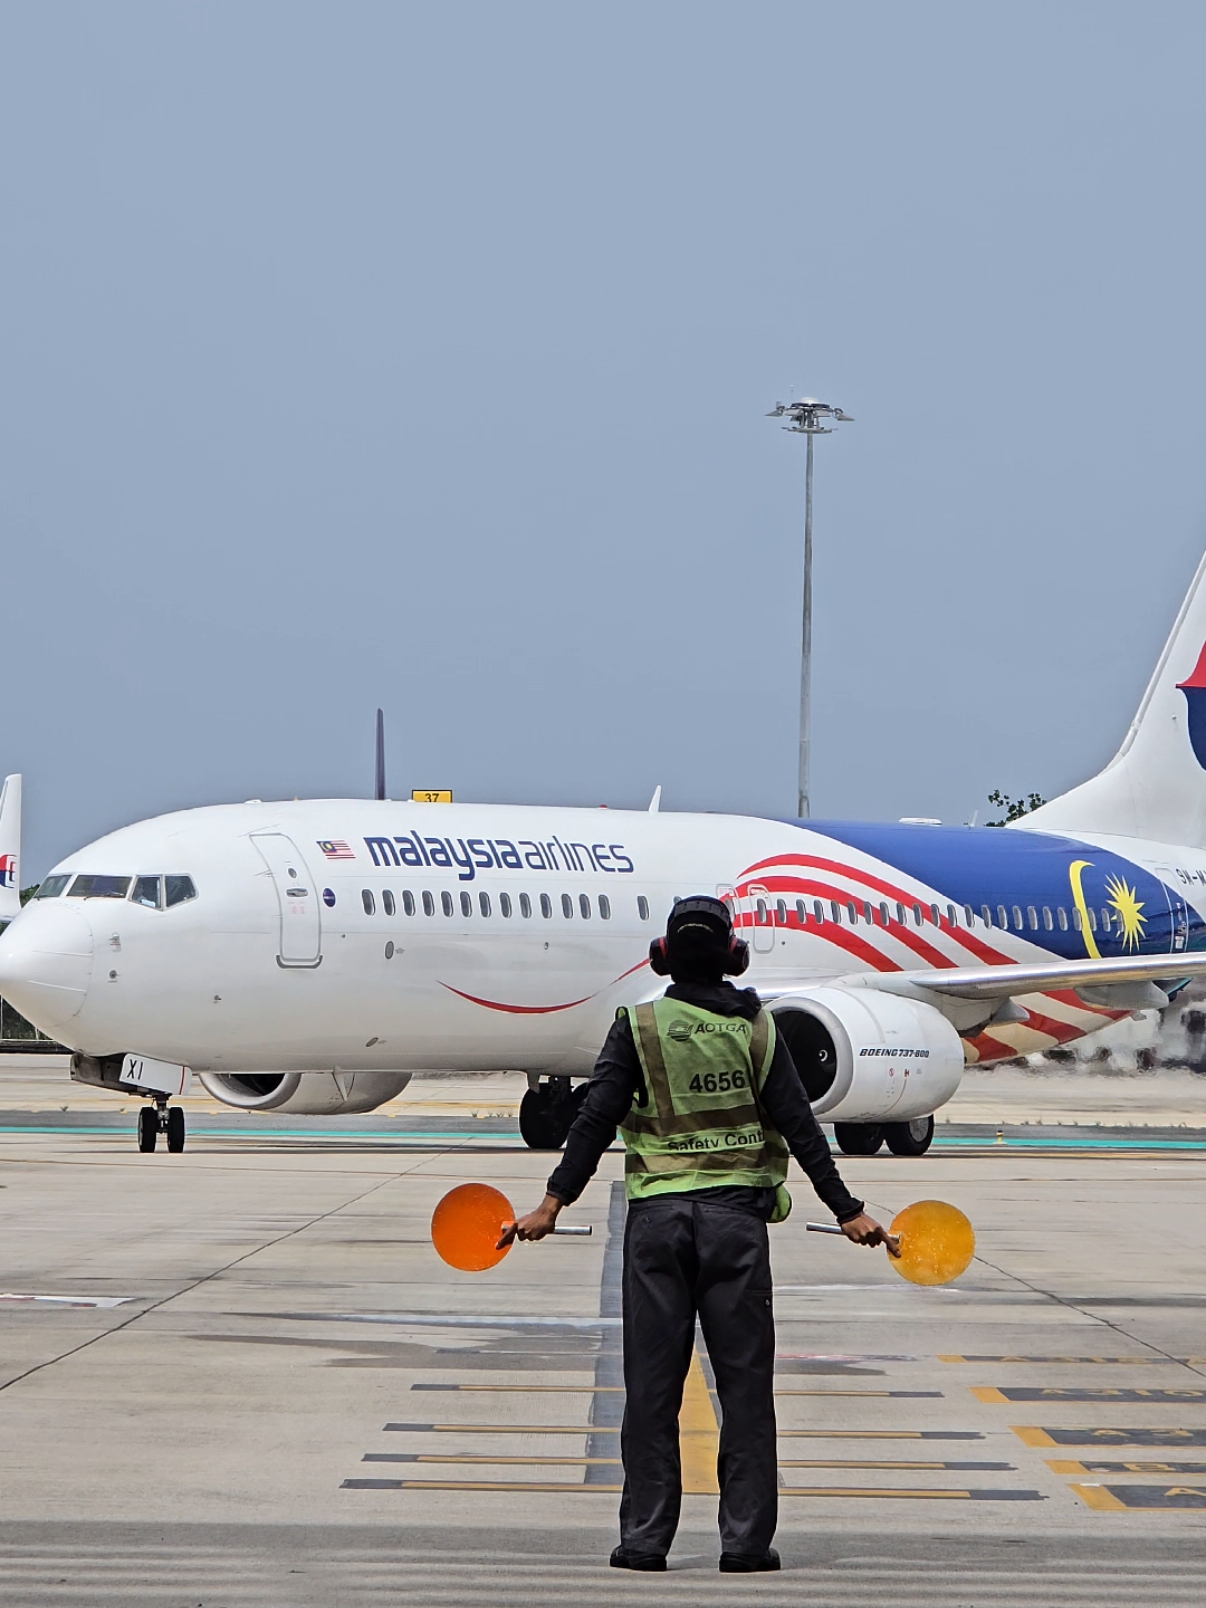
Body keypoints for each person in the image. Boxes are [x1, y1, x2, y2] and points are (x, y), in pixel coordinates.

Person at [500, 895, 898, 1574]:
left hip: (656, 1227)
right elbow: (802, 1129)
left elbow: (594, 1118)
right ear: (734, 958)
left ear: (661, 958)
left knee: (651, 1388)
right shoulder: (759, 1030)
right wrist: (846, 1209)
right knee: (744, 1387)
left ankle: (645, 1540)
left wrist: (551, 1203)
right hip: (734, 1227)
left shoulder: (639, 1025)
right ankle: (744, 1543)